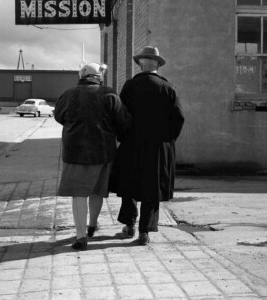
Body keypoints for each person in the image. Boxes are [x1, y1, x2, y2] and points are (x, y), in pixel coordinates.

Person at [54, 62, 131, 250]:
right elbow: (123, 121)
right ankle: (92, 225)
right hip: (103, 152)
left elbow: (58, 116)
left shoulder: (68, 94)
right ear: (99, 77)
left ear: (82, 76)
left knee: (78, 193)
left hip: (75, 152)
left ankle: (80, 236)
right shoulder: (109, 94)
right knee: (97, 190)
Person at [113, 46, 184, 245]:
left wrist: (123, 136)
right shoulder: (168, 88)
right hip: (158, 147)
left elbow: (120, 115)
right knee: (151, 189)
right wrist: (168, 141)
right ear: (158, 65)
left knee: (130, 186)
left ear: (140, 64)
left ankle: (129, 226)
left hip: (132, 144)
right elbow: (178, 118)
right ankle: (145, 232)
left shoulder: (130, 86)